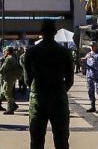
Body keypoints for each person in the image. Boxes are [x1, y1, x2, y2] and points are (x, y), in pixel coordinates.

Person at [23, 19, 74, 149]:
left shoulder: (31, 52)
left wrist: (35, 88)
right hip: (58, 97)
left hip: (38, 97)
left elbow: (27, 79)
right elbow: (70, 79)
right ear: (55, 33)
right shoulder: (64, 52)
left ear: (41, 33)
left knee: (36, 140)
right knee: (61, 140)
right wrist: (60, 90)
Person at [0, 46, 22, 114]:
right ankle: (11, 107)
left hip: (8, 78)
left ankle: (12, 107)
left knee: (6, 93)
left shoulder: (9, 59)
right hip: (12, 78)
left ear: (8, 51)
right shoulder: (14, 57)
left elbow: (2, 70)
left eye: (5, 51)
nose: (4, 52)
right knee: (8, 92)